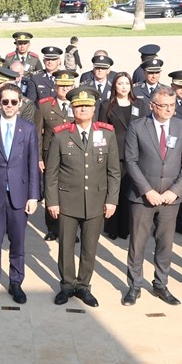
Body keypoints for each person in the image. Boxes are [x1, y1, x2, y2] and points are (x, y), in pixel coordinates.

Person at [45, 87, 119, 307]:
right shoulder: (61, 134)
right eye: (79, 106)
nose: (83, 109)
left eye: (87, 106)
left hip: (96, 201)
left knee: (89, 247)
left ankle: (84, 286)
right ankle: (67, 285)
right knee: (66, 247)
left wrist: (111, 200)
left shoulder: (107, 133)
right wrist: (52, 202)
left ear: (94, 108)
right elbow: (51, 173)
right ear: (72, 108)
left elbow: (113, 171)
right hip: (67, 201)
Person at [122, 85, 182, 306]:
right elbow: (131, 161)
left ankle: (161, 284)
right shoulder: (137, 127)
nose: (169, 110)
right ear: (152, 105)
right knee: (138, 243)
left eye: (172, 106)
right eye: (164, 106)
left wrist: (175, 191)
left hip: (171, 199)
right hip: (143, 197)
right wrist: (148, 191)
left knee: (165, 244)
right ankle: (134, 285)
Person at [0, 82, 39, 304]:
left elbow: (32, 165)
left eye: (13, 101)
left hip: (19, 196)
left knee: (18, 243)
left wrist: (33, 196)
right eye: (5, 101)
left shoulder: (28, 129)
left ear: (20, 104)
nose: (9, 105)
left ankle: (15, 282)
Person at [100, 71, 140, 241]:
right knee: (113, 191)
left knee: (129, 192)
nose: (123, 87)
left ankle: (126, 227)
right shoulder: (106, 105)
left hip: (134, 154)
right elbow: (101, 130)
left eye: (126, 83)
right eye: (120, 83)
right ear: (114, 86)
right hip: (114, 153)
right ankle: (111, 227)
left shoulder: (139, 105)